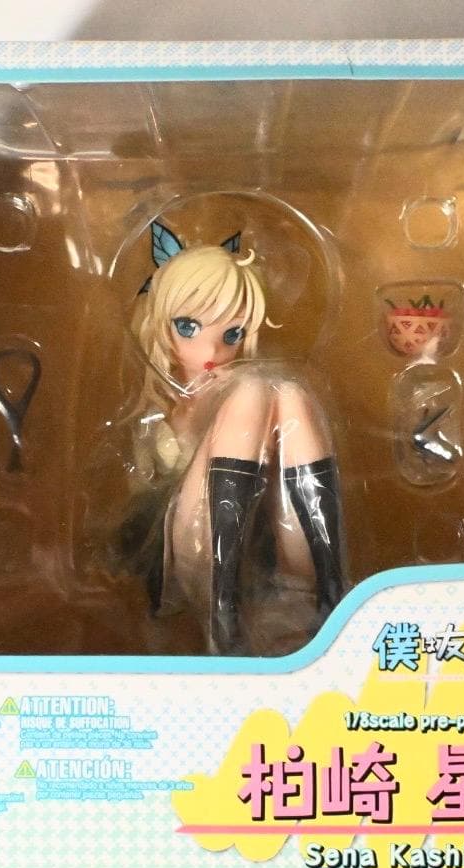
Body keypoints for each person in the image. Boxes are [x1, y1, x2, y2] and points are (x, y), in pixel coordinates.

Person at [117, 221, 346, 656]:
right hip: (184, 559)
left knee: (291, 393)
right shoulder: (159, 410)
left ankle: (330, 592)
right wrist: (214, 406)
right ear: (161, 323)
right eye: (188, 327)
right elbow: (141, 505)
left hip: (260, 559)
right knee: (255, 389)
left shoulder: (249, 392)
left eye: (232, 334)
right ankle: (221, 617)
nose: (212, 351)